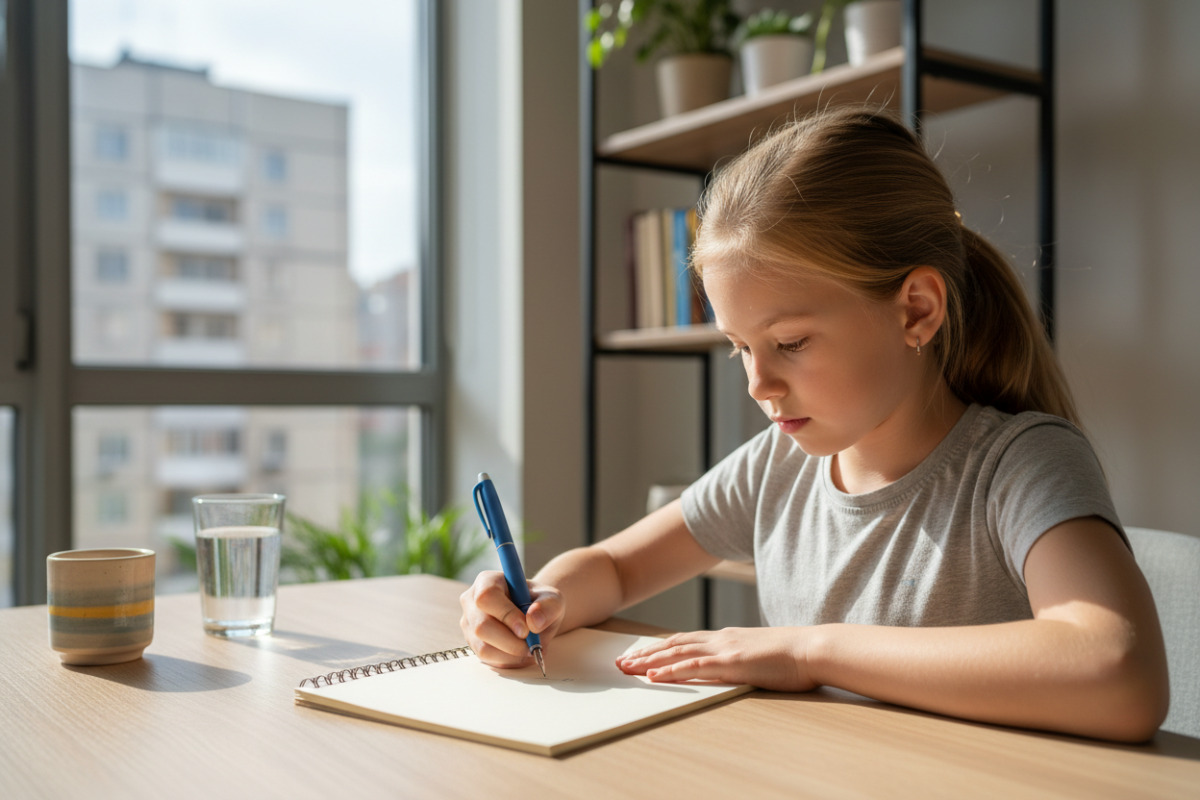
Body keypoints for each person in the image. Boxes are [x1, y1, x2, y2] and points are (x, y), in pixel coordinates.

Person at [459, 106, 1169, 743]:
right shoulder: (778, 463)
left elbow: (1119, 668)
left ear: (917, 309)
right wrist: (540, 603)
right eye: (739, 347)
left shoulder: (1020, 464)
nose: (757, 383)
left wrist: (808, 651)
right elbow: (615, 568)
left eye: (790, 343)